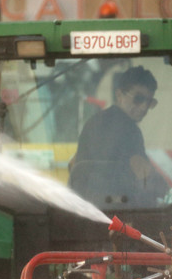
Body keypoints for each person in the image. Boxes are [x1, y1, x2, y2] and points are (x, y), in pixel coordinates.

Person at [69, 65, 166, 207]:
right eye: (138, 99)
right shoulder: (130, 130)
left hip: (86, 208)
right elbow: (142, 170)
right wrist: (171, 193)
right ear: (119, 95)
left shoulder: (94, 122)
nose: (144, 107)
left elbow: (73, 164)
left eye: (150, 101)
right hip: (117, 210)